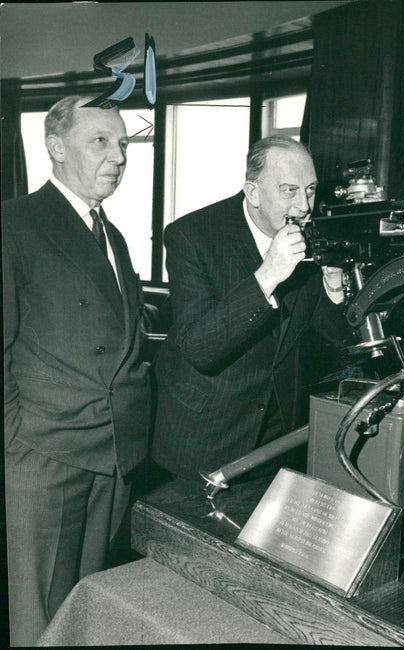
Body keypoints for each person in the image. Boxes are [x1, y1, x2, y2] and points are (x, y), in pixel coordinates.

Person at [2, 96, 152, 646]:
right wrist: (17, 441)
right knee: (40, 613)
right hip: (46, 454)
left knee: (87, 605)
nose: (118, 156)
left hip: (113, 452)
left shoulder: (112, 236)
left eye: (123, 144)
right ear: (55, 147)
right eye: (100, 142)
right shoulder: (14, 224)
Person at [151, 135, 351, 481]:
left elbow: (332, 339)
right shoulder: (191, 235)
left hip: (276, 439)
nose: (304, 206)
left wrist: (335, 286)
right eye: (289, 190)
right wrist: (268, 275)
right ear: (253, 192)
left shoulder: (310, 237)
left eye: (311, 190)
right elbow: (200, 347)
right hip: (204, 435)